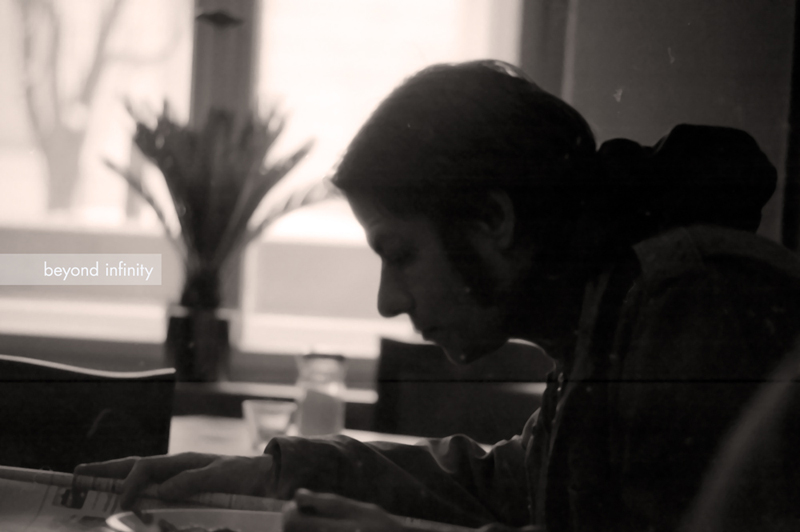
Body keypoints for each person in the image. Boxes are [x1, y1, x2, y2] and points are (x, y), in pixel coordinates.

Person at [76, 60, 800, 532]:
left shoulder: (692, 305)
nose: (388, 301)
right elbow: (510, 485)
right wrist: (276, 472)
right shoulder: (608, 313)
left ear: (493, 221)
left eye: (401, 254)